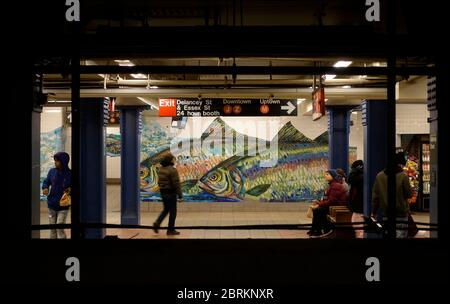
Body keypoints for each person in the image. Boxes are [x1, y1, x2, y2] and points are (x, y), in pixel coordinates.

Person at [371, 152, 413, 238]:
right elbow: (409, 194)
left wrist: (374, 212)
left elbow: (375, 197)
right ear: (399, 165)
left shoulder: (379, 176)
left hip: (386, 214)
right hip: (401, 214)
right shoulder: (403, 176)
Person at [308, 169, 349, 238]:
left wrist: (319, 204)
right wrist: (319, 202)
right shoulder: (333, 185)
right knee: (317, 210)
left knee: (318, 210)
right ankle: (316, 230)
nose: (325, 176)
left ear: (333, 176)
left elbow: (332, 201)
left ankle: (322, 231)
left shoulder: (336, 186)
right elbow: (329, 199)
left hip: (337, 208)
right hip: (333, 206)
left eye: (327, 174)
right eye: (325, 174)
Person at [42, 152, 71, 239]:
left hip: (63, 206)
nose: (55, 162)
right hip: (52, 205)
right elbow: (46, 181)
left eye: (57, 161)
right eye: (55, 160)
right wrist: (45, 188)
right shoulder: (52, 171)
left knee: (59, 227)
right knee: (52, 228)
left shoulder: (70, 174)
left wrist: (70, 190)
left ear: (63, 162)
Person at [153, 153, 183, 236]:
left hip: (163, 192)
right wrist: (180, 195)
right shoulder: (172, 170)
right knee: (173, 212)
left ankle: (157, 223)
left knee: (166, 210)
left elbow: (159, 182)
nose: (174, 160)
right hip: (171, 193)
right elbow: (176, 183)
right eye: (173, 159)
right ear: (170, 160)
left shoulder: (161, 169)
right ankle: (170, 230)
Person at [347, 160, 364, 238]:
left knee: (358, 228)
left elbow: (350, 179)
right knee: (357, 226)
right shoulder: (360, 175)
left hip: (359, 206)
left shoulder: (359, 176)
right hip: (358, 206)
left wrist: (354, 170)